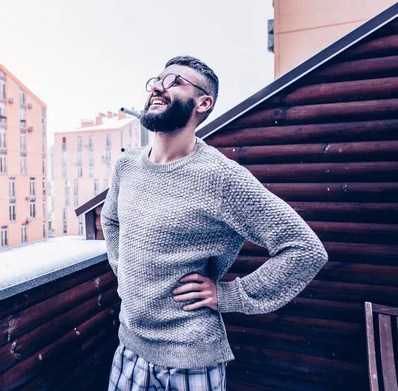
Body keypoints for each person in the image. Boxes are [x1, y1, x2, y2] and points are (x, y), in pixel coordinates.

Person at [102, 56, 328, 391]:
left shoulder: (221, 178)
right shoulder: (127, 166)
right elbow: (110, 221)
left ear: (203, 103)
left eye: (175, 81)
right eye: (157, 79)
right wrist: (126, 271)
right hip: (129, 348)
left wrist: (231, 294)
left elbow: (305, 249)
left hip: (191, 361)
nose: (158, 86)